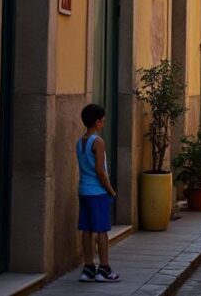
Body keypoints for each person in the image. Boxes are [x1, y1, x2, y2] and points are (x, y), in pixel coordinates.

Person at [76, 104, 120, 282]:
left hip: (84, 190)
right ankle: (104, 268)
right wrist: (111, 190)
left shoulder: (80, 141)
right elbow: (100, 170)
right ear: (97, 121)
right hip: (98, 192)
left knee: (87, 230)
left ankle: (88, 268)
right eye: (103, 119)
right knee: (101, 230)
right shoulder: (98, 141)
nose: (104, 122)